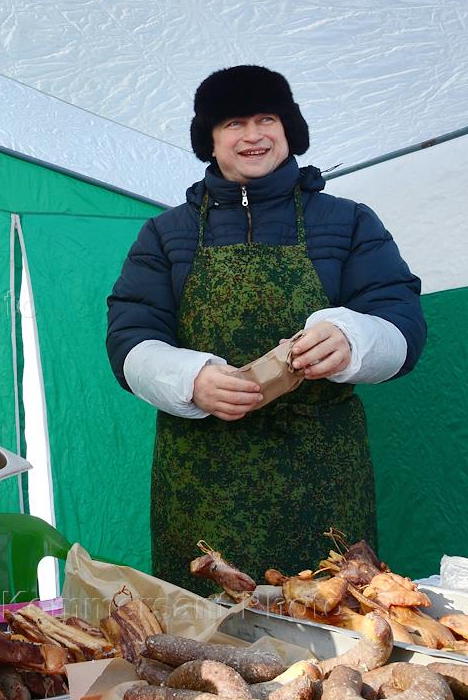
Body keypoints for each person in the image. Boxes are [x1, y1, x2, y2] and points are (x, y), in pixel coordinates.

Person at [105, 65, 425, 594]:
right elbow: (129, 337)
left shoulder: (347, 222)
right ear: (209, 139)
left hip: (323, 475)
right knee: (207, 639)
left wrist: (352, 340)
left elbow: (401, 319)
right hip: (203, 481)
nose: (252, 135)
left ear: (288, 128)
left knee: (334, 620)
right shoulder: (166, 234)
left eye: (265, 119)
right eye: (233, 123)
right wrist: (191, 380)